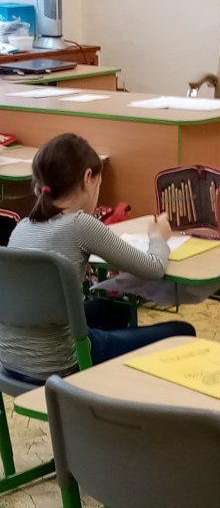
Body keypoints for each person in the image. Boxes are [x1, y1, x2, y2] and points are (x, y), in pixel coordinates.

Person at [3, 133, 195, 384]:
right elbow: (154, 268)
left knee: (115, 309)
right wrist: (158, 237)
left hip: (11, 361)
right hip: (62, 363)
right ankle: (110, 389)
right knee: (182, 333)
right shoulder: (80, 224)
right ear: (87, 178)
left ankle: (112, 382)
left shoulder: (22, 227)